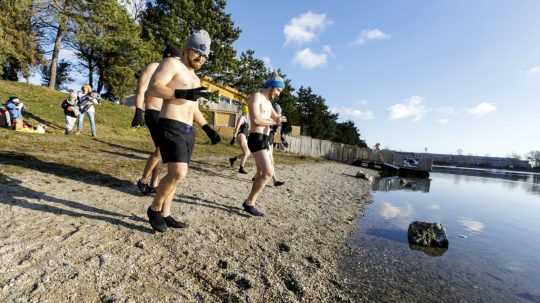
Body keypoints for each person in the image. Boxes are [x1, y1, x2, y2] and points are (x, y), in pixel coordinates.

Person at [145, 29, 221, 232]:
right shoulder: (172, 64)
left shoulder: (196, 79)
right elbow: (154, 87)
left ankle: (166, 213)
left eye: (205, 55)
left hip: (188, 130)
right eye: (197, 52)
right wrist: (180, 92)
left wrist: (207, 128)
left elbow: (193, 107)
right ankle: (154, 209)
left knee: (175, 175)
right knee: (179, 173)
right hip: (171, 124)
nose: (201, 58)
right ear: (187, 49)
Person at [241, 72, 287, 217]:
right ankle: (249, 203)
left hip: (265, 139)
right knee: (268, 173)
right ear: (272, 86)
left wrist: (280, 118)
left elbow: (276, 117)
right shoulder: (256, 97)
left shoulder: (268, 102)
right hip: (256, 138)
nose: (278, 94)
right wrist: (275, 121)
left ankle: (249, 203)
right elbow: (256, 120)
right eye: (278, 90)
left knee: (262, 173)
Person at [131, 61, 162, 195]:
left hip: (166, 113)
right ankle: (143, 180)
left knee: (161, 150)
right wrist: (138, 111)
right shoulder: (154, 67)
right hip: (153, 111)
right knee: (162, 148)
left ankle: (153, 184)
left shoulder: (172, 70)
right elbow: (141, 90)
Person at [267, 102, 286, 186]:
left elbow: (280, 131)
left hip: (270, 141)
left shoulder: (277, 119)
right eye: (278, 112)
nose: (279, 114)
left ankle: (256, 176)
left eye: (279, 113)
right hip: (265, 140)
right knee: (270, 161)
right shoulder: (268, 118)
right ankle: (275, 180)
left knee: (270, 161)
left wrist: (283, 141)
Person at [229, 104, 251, 174]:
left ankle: (233, 159)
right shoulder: (242, 118)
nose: (248, 112)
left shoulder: (246, 119)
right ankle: (241, 168)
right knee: (247, 153)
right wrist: (234, 137)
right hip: (241, 135)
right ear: (246, 111)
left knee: (247, 153)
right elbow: (237, 128)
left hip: (244, 136)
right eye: (247, 111)